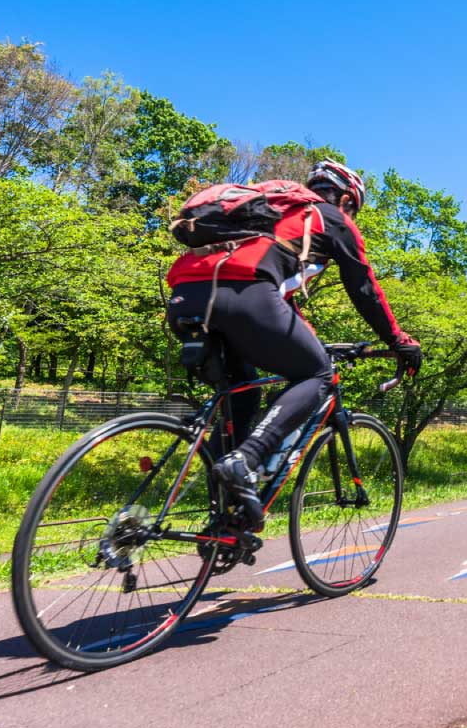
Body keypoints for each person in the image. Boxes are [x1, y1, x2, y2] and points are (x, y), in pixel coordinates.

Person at [165, 160, 422, 530]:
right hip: (244, 297)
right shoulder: (330, 216)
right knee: (317, 372)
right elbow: (364, 288)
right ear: (347, 198)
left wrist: (310, 336)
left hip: (186, 298)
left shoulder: (269, 216)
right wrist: (398, 340)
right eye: (354, 209)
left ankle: (225, 520)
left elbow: (279, 296)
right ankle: (246, 462)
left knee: (242, 397)